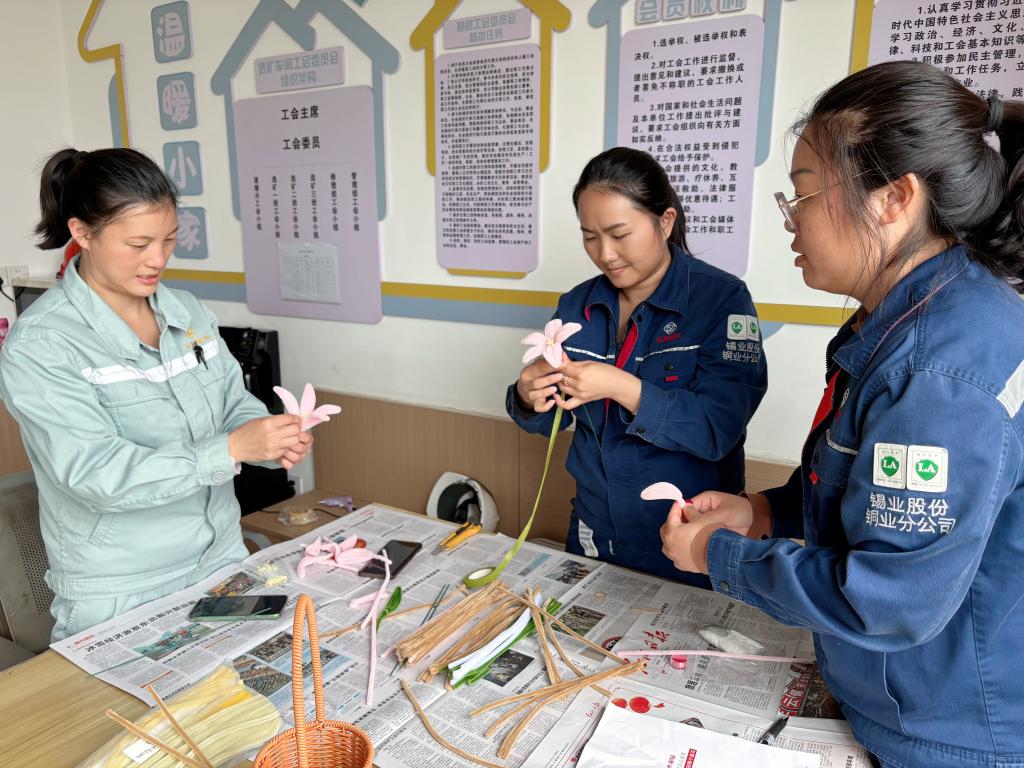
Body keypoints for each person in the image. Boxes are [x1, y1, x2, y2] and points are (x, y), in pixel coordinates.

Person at [660, 61, 1024, 767]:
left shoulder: (939, 369)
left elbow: (889, 599)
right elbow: (862, 491)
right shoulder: (908, 320)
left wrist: (717, 555)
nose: (791, 218)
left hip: (952, 735)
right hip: (904, 701)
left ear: (894, 199)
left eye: (803, 192)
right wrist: (761, 513)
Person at [0, 148, 312, 640]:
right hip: (124, 588)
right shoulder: (42, 343)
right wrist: (230, 449)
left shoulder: (187, 311)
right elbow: (95, 473)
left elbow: (231, 402)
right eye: (138, 243)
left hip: (220, 559)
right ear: (82, 233)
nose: (158, 259)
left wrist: (270, 441)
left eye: (168, 239)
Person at [508, 147, 767, 586]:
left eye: (619, 234)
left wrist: (623, 387)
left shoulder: (721, 300)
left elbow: (718, 428)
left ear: (664, 222)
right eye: (590, 236)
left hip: (688, 538)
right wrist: (527, 396)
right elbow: (552, 420)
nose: (605, 253)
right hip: (595, 533)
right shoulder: (577, 305)